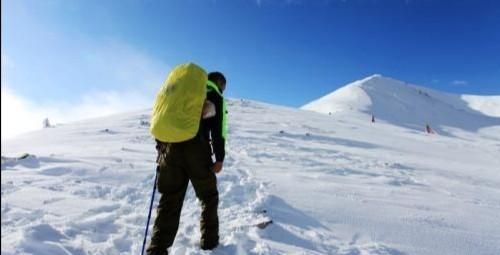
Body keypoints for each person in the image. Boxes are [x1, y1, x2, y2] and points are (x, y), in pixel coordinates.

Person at [146, 71, 227, 255]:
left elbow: (162, 117)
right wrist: (219, 158)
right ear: (219, 83)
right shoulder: (214, 94)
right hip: (196, 148)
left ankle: (157, 249)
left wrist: (162, 148)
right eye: (224, 86)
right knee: (208, 196)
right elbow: (218, 129)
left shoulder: (183, 92)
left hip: (170, 148)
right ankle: (210, 243)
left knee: (169, 199)